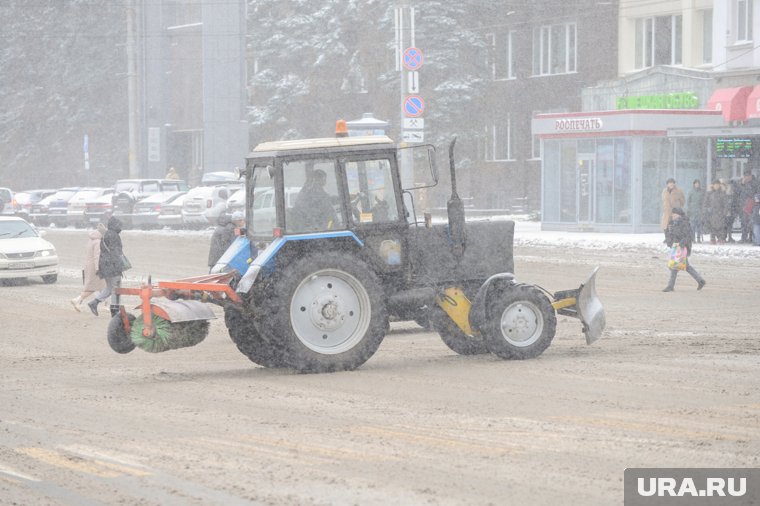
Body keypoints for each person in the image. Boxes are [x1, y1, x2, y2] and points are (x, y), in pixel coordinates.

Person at [88, 216, 126, 317]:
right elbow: (115, 253)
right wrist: (119, 267)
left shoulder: (106, 235)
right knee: (116, 289)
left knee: (110, 287)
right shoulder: (114, 236)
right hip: (112, 266)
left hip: (104, 266)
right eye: (119, 225)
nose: (120, 227)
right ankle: (114, 311)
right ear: (115, 226)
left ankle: (94, 302)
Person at [663, 207, 706, 292]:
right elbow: (671, 236)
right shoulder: (672, 223)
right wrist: (667, 234)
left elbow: (688, 236)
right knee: (684, 266)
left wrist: (681, 245)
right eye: (672, 214)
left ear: (678, 215)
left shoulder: (684, 223)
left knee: (675, 267)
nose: (672, 216)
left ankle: (670, 286)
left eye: (674, 214)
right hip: (676, 247)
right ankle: (700, 280)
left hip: (682, 247)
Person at [70, 223, 106, 311]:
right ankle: (77, 300)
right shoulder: (98, 242)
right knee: (93, 287)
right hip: (95, 267)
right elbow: (97, 256)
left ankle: (104, 304)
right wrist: (98, 268)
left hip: (89, 265)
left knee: (101, 286)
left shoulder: (91, 240)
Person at [703, 179, 728, 245]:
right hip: (712, 213)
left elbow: (725, 204)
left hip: (720, 213)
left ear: (719, 185)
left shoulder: (722, 193)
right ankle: (712, 239)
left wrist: (724, 212)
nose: (716, 186)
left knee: (721, 227)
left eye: (717, 185)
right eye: (715, 185)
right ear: (713, 185)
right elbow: (705, 203)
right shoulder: (709, 193)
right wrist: (707, 209)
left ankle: (721, 239)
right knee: (712, 227)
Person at [738, 170, 759, 243]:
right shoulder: (741, 183)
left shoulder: (755, 183)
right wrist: (742, 185)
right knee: (743, 222)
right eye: (744, 176)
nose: (745, 178)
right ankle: (744, 237)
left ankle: (752, 238)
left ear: (750, 176)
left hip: (752, 205)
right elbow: (738, 193)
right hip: (743, 205)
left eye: (747, 176)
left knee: (752, 222)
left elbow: (753, 193)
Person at [686, 179, 705, 243]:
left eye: (698, 183)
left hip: (699, 211)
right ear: (694, 184)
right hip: (692, 211)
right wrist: (688, 210)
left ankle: (698, 238)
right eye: (696, 183)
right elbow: (688, 201)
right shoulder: (691, 191)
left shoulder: (702, 192)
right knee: (692, 226)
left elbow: (703, 201)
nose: (697, 185)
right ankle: (693, 238)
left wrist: (702, 209)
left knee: (699, 226)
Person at [724, 179, 741, 243]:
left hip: (731, 210)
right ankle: (726, 237)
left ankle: (728, 237)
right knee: (727, 225)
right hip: (728, 210)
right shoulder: (729, 193)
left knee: (729, 224)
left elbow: (735, 203)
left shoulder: (734, 194)